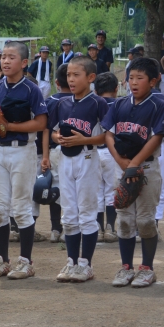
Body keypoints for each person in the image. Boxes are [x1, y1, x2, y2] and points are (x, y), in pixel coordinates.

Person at [0, 41, 47, 280]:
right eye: (3, 56)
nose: (5, 61)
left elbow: (41, 123)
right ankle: (2, 260)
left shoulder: (31, 89)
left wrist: (9, 126)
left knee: (21, 208)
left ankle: (25, 262)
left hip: (22, 151)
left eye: (11, 57)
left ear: (24, 63)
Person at [104, 57, 164, 288]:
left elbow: (157, 137)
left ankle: (147, 268)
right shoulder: (119, 104)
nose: (133, 82)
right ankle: (126, 267)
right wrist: (122, 162)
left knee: (146, 220)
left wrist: (135, 163)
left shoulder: (159, 104)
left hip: (147, 167)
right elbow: (108, 134)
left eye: (139, 78)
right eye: (131, 77)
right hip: (122, 167)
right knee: (124, 219)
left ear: (152, 81)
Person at [52, 56, 109, 283]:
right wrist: (57, 138)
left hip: (87, 157)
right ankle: (71, 261)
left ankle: (86, 264)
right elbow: (54, 131)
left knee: (86, 213)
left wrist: (84, 139)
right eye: (68, 75)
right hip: (65, 159)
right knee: (69, 215)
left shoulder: (98, 103)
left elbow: (107, 136)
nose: (71, 79)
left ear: (91, 77)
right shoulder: (62, 103)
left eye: (77, 75)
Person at [42, 63, 73, 243]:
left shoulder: (50, 101)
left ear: (56, 82)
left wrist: (45, 155)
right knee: (71, 189)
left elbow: (45, 130)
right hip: (75, 150)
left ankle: (55, 229)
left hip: (54, 150)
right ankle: (68, 228)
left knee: (55, 188)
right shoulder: (80, 100)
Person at [93, 72, 119, 243]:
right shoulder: (120, 104)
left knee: (97, 192)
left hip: (94, 151)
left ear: (95, 90)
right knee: (111, 191)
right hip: (112, 152)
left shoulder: (93, 103)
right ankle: (110, 228)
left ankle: (98, 229)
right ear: (116, 89)